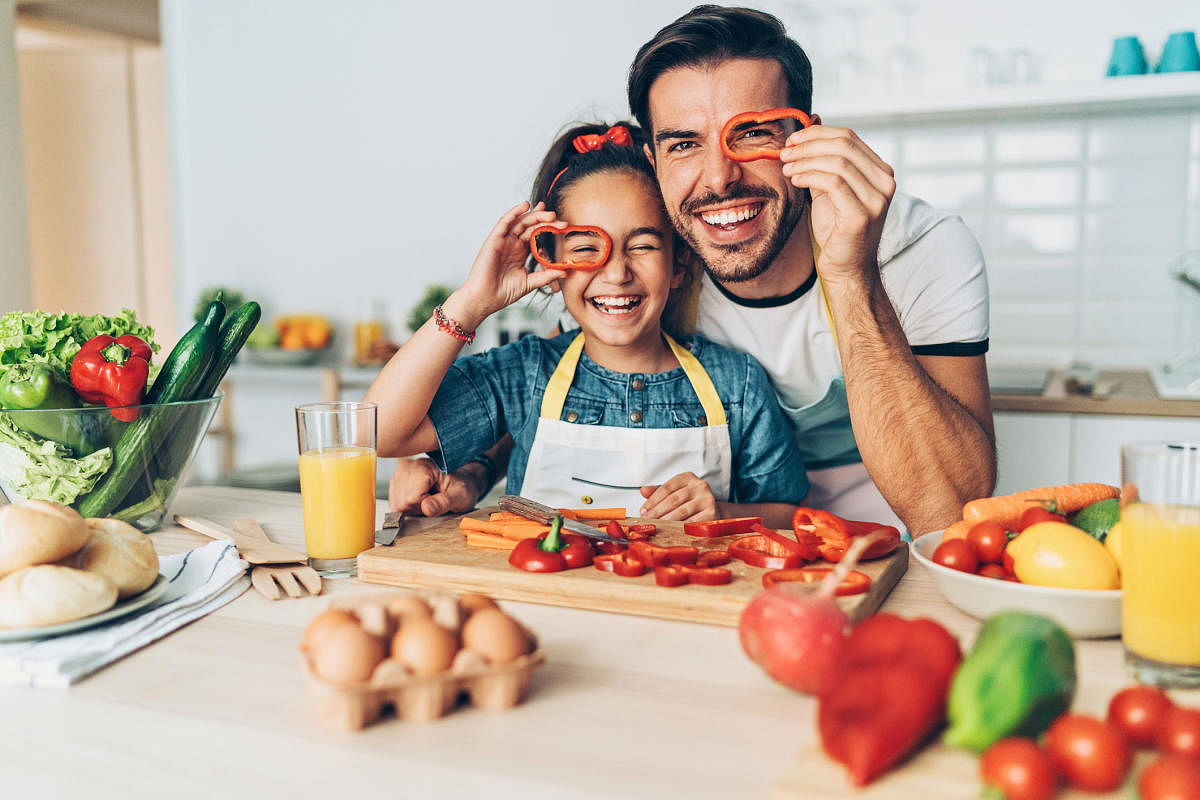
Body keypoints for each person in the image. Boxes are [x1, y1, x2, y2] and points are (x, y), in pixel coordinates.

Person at [389, 5, 996, 535]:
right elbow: (554, 381)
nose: (718, 177)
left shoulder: (923, 250)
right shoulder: (671, 251)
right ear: (652, 161)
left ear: (804, 138)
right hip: (736, 557)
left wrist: (850, 272)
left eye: (751, 133)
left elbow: (947, 510)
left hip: (885, 537)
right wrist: (464, 466)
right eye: (684, 144)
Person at [366, 122, 808, 528]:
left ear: (679, 264)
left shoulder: (738, 383)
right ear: (553, 263)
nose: (616, 274)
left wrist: (723, 511)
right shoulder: (525, 373)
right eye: (584, 248)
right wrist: (471, 303)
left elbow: (790, 515)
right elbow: (378, 432)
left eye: (643, 246)